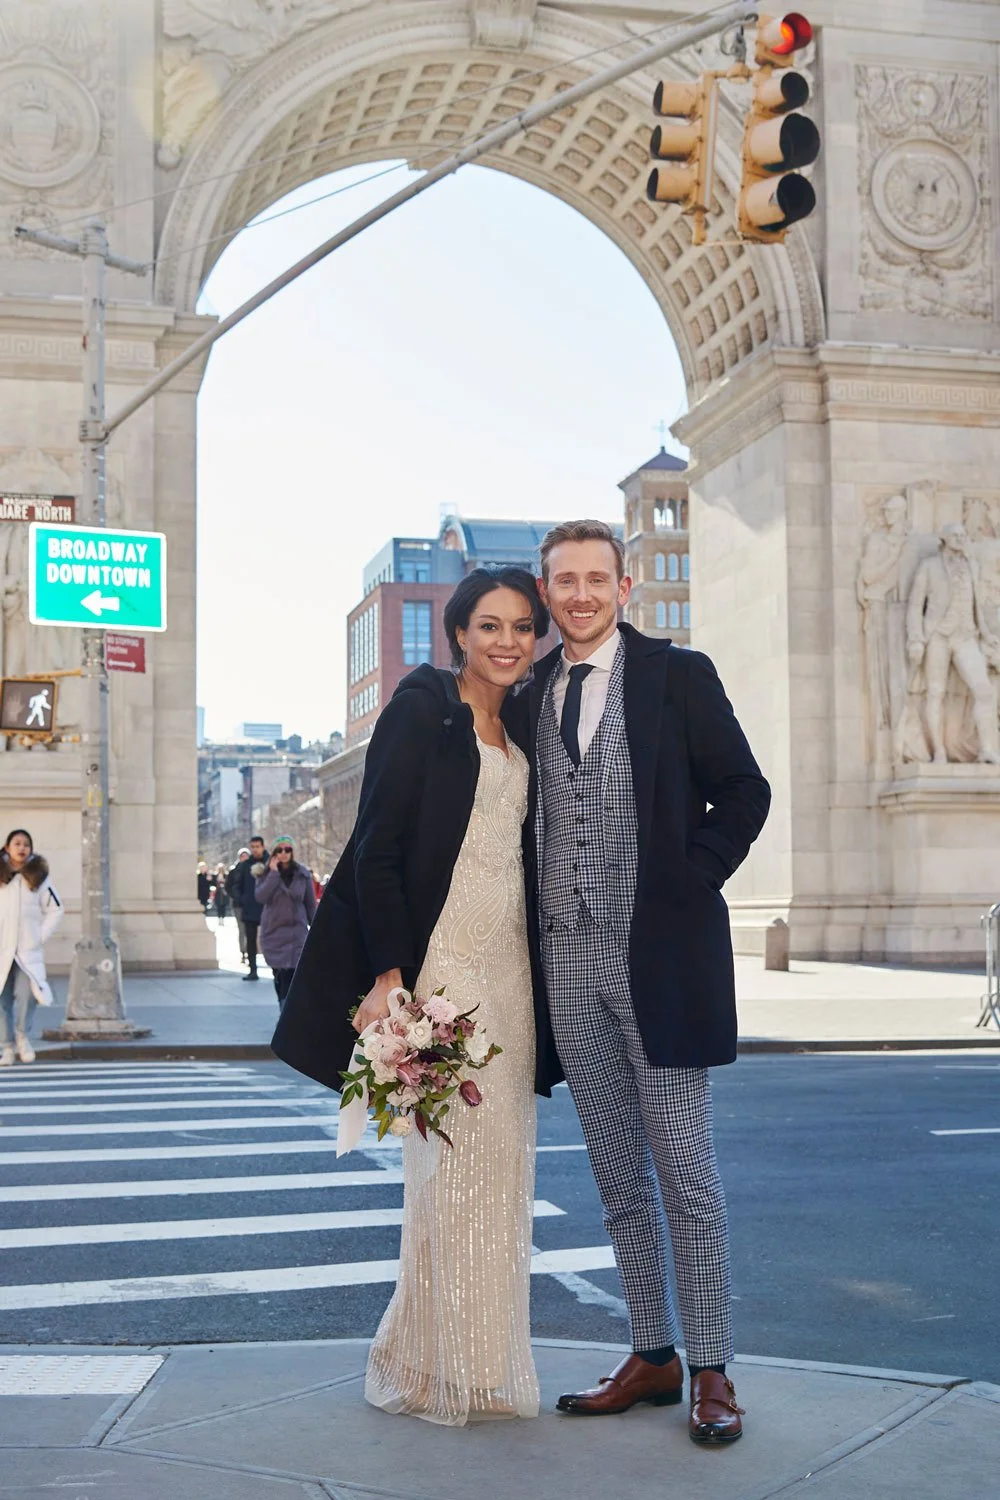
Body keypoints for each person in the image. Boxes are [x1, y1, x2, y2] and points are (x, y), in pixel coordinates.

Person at [273, 567, 559, 1426]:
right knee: (449, 1168)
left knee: (503, 1166)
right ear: (459, 634)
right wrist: (393, 973)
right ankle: (429, 1361)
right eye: (487, 626)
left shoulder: (524, 724)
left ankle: (479, 1361)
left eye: (520, 627)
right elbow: (378, 846)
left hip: (510, 964)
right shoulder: (422, 705)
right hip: (442, 964)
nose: (505, 641)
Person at [516, 520, 770, 1444]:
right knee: (619, 1179)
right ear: (547, 593)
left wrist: (686, 877)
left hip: (658, 958)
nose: (580, 594)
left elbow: (745, 791)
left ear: (626, 588)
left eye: (597, 578)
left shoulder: (679, 677)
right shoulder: (530, 692)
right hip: (567, 963)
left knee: (685, 1174)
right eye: (564, 580)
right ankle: (653, 1352)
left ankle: (712, 1368)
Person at [0, 829, 64, 1066]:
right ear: (7, 848)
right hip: (2, 951)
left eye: (26, 844)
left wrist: (38, 937)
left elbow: (56, 909)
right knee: (2, 1000)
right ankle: (6, 1047)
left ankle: (22, 1037)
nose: (22, 848)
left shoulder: (38, 877)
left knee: (28, 996)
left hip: (27, 952)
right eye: (16, 843)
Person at [254, 837, 316, 1005]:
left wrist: (317, 929)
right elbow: (261, 896)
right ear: (274, 853)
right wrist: (273, 873)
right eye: (279, 850)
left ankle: (285, 1014)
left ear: (292, 852)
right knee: (279, 975)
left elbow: (310, 904)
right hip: (273, 932)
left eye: (287, 849)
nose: (283, 853)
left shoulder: (302, 874)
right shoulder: (264, 873)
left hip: (297, 933)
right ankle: (284, 1009)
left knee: (292, 975)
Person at [234, 836, 269, 980]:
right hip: (249, 908)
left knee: (269, 939)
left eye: (257, 846)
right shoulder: (245, 865)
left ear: (263, 846)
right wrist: (242, 899)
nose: (255, 849)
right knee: (250, 940)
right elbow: (235, 884)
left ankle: (276, 968)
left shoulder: (271, 862)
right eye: (252, 847)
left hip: (268, 908)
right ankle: (253, 970)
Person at [226, 848, 251, 963]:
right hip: (238, 905)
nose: (244, 859)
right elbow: (228, 887)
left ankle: (251, 953)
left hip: (251, 905)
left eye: (246, 856)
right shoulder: (233, 871)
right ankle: (243, 952)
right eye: (242, 856)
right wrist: (237, 897)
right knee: (242, 929)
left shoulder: (253, 870)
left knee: (250, 931)